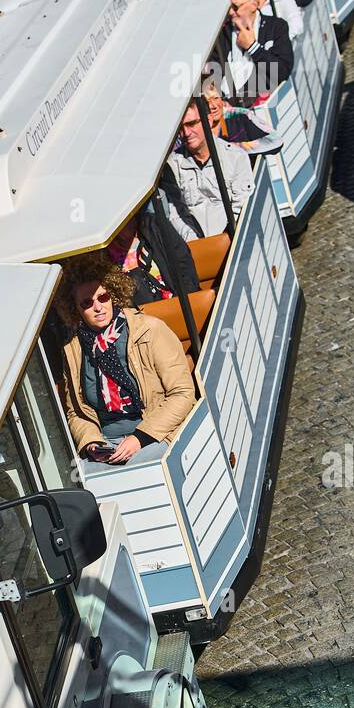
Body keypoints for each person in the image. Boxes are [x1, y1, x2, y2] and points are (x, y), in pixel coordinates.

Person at [58, 256, 195, 466]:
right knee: (79, 480)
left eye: (103, 297)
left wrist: (140, 438)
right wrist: (92, 443)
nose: (98, 307)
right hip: (107, 441)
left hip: (156, 432)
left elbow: (183, 393)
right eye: (87, 303)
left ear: (113, 295)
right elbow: (76, 413)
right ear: (75, 308)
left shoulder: (150, 330)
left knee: (134, 469)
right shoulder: (73, 350)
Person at [167, 101, 254, 239]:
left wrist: (224, 241)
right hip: (196, 249)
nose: (186, 133)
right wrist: (197, 244)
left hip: (234, 242)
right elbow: (176, 214)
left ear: (208, 120)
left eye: (191, 124)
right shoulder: (172, 166)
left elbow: (242, 207)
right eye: (180, 127)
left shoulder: (236, 158)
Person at [107, 196, 200, 306]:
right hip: (140, 317)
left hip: (179, 303)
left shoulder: (154, 227)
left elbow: (185, 267)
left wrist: (180, 305)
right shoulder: (103, 252)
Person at [222, 0, 293, 106]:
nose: (230, 12)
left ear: (253, 5)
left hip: (264, 106)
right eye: (228, 7)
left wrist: (253, 47)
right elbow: (213, 72)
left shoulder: (276, 27)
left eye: (235, 6)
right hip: (228, 106)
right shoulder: (223, 33)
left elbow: (282, 71)